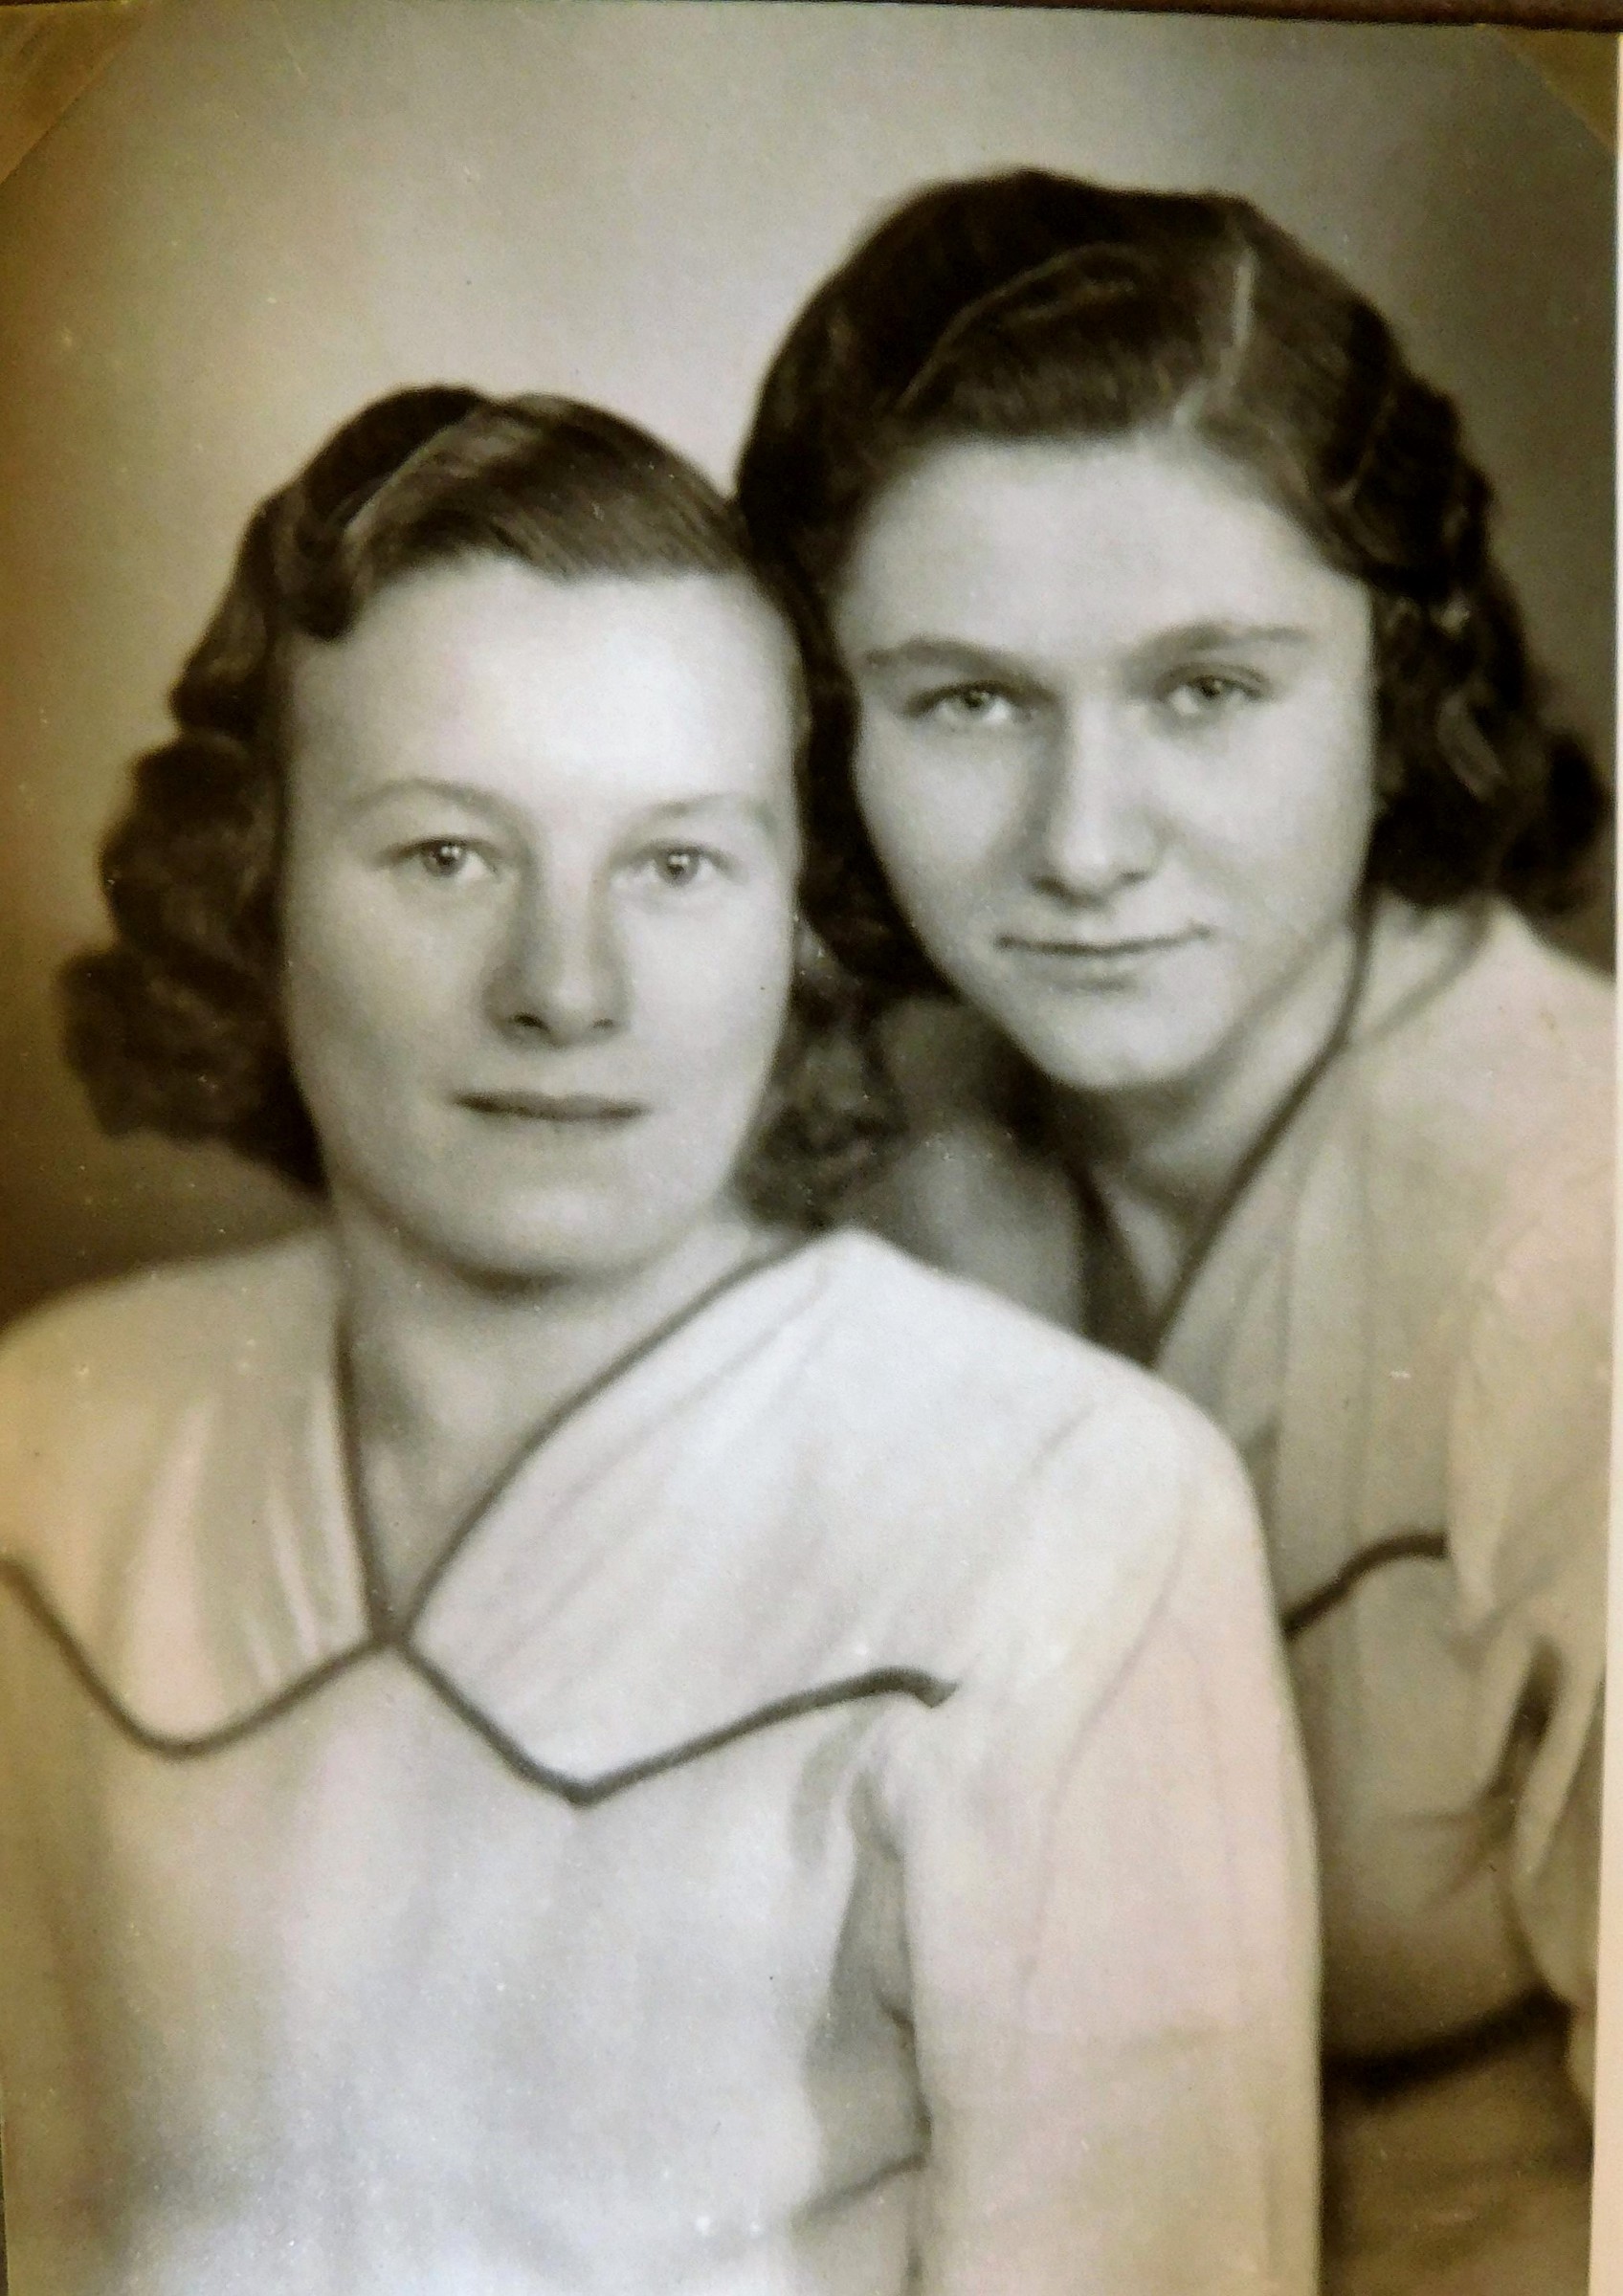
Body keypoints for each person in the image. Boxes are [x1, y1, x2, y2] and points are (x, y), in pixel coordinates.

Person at [0, 386, 1316, 2295]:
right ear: (257, 893)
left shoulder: (1069, 1512)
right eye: (448, 857)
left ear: (800, 925)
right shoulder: (59, 1443)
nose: (567, 987)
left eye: (678, 866)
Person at [736, 172, 1612, 2294]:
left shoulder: (1572, 1243)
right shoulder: (851, 1134)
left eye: (1207, 689)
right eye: (965, 702)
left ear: (1394, 689)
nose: (1084, 844)